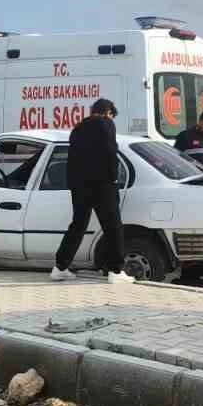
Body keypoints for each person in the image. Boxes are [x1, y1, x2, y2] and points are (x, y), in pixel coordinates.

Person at [52, 98, 132, 285]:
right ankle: (115, 270)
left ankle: (60, 267)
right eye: (111, 115)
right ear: (108, 113)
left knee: (78, 225)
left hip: (79, 185)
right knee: (113, 226)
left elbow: (72, 159)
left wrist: (74, 183)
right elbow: (110, 151)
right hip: (102, 184)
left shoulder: (77, 129)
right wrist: (113, 177)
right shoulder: (106, 124)